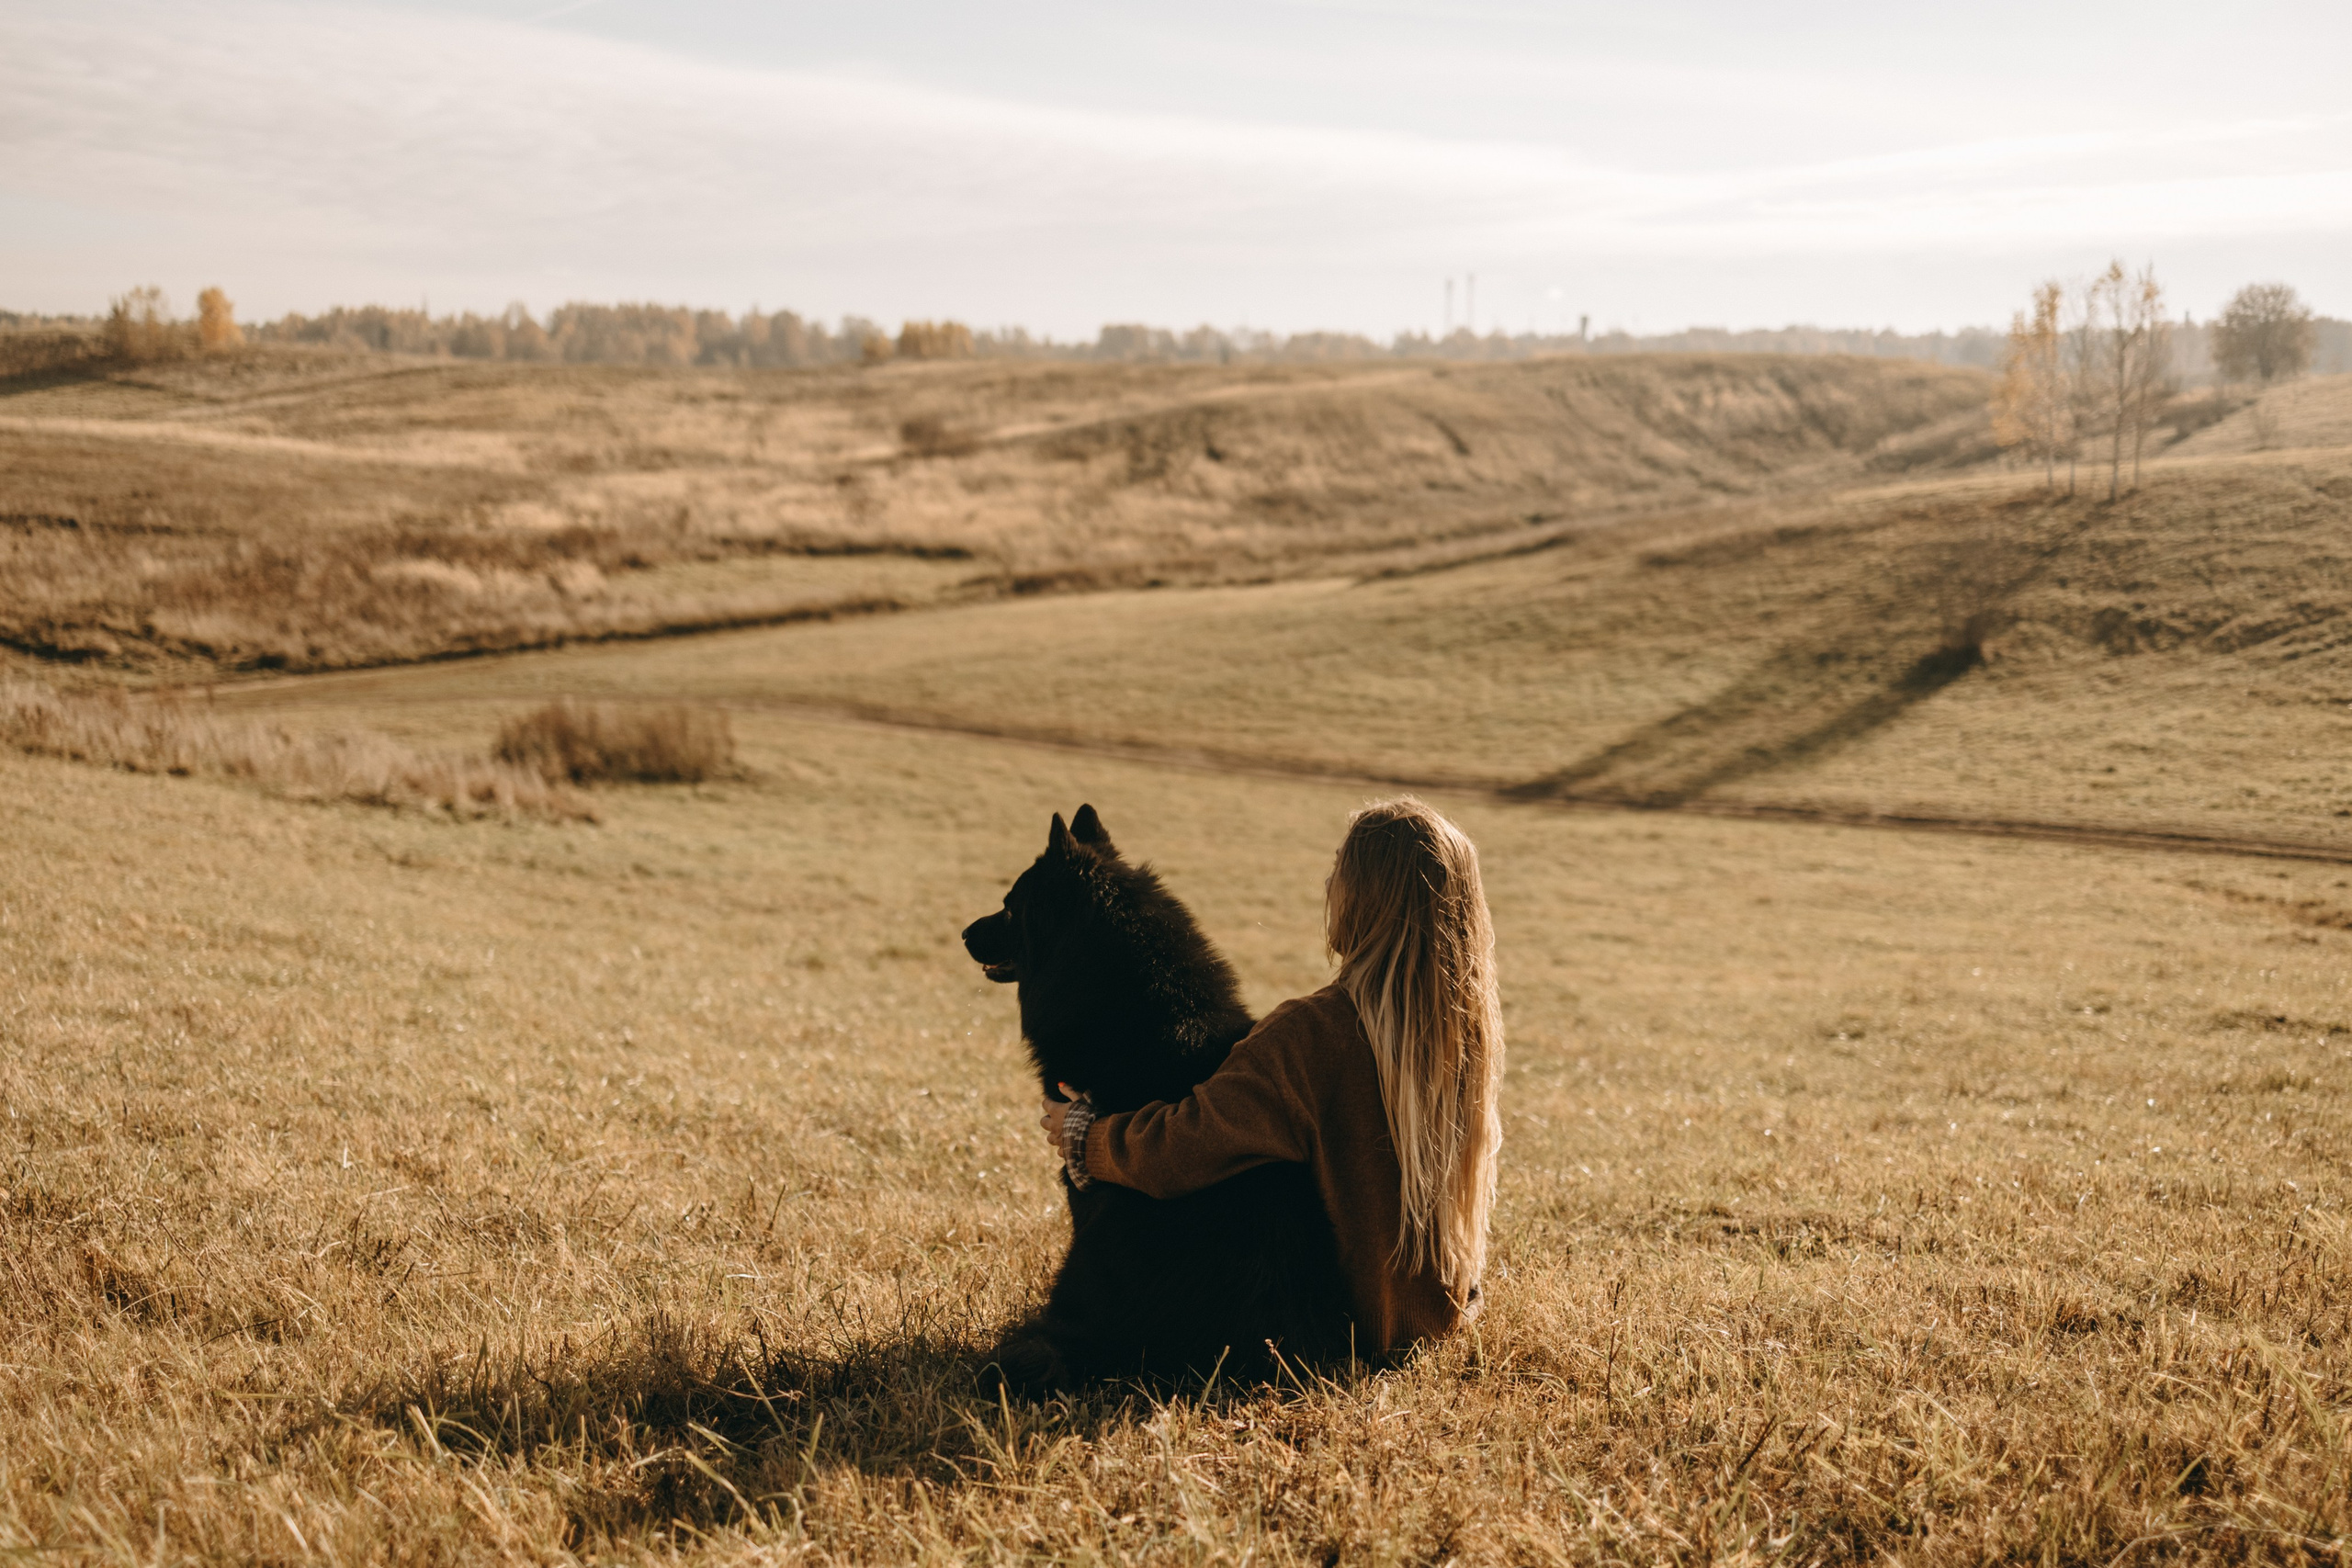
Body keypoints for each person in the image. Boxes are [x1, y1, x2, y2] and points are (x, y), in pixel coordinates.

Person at [1039, 796, 1505, 1355]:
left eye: (1340, 871)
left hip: (1339, 1328)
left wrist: (1087, 1137)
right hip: (1438, 1319)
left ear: (1366, 895)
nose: (1329, 886)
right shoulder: (1464, 1033)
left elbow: (1181, 1148)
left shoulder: (1312, 1033)